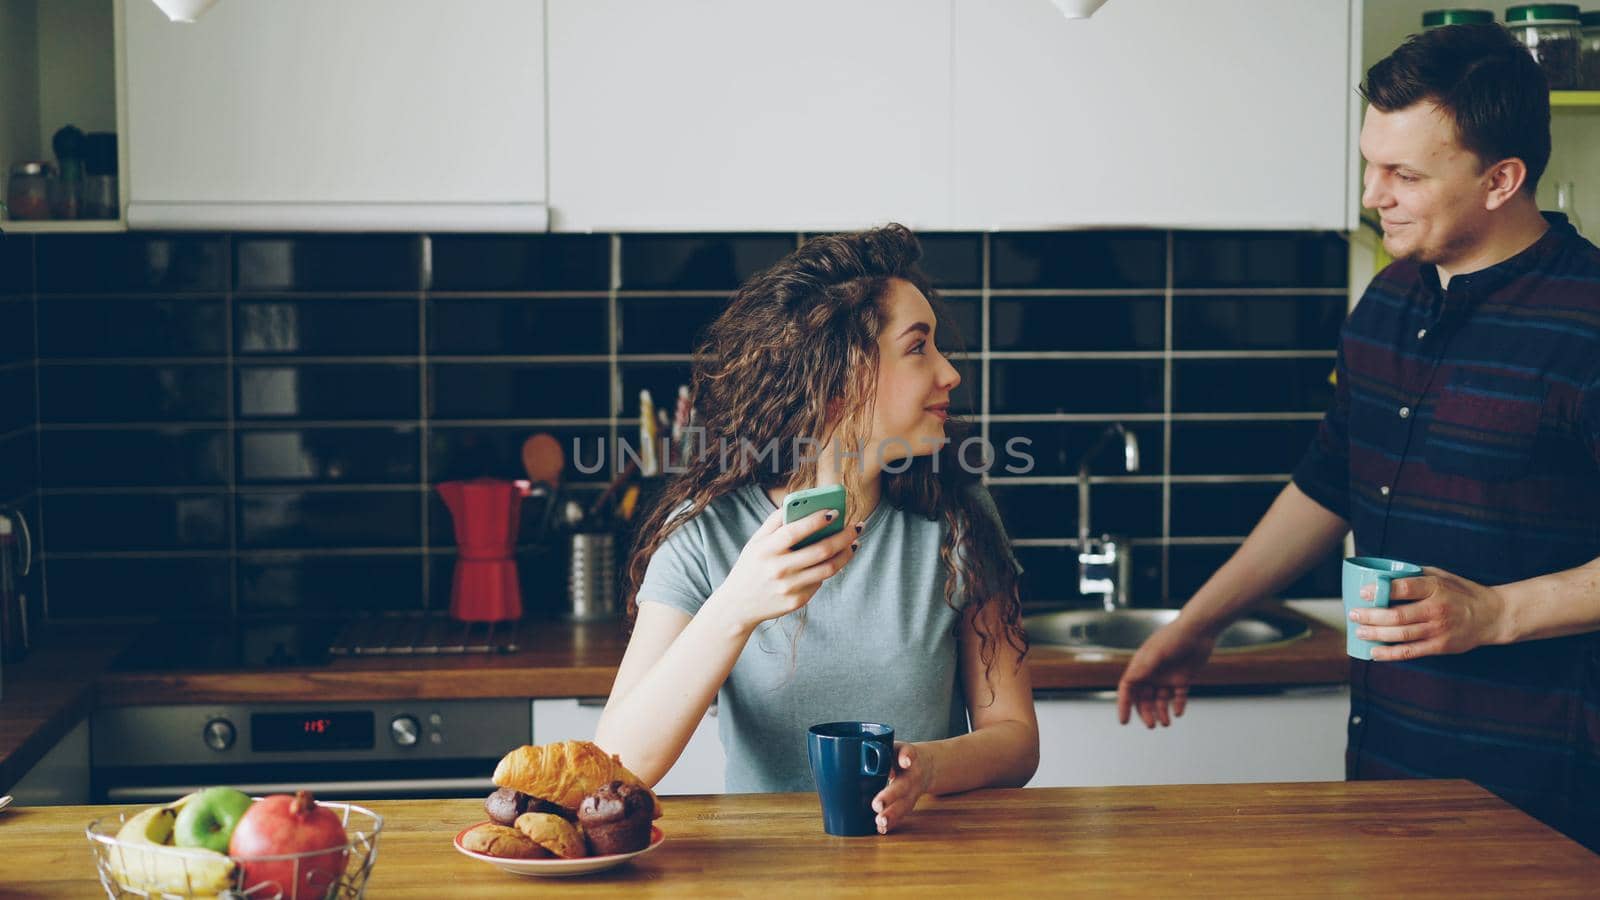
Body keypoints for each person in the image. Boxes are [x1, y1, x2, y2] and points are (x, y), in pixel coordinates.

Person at [1118, 22, 1600, 852]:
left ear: (1502, 179)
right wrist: (1199, 623)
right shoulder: (1387, 301)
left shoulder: (1588, 321)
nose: (1372, 194)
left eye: (1403, 173)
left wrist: (1496, 612)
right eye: (1370, 163)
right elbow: (1330, 483)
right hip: (1386, 765)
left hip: (1543, 794)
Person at [595, 224, 1039, 833]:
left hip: (930, 870)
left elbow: (1014, 739)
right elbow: (620, 765)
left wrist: (929, 767)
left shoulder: (958, 518)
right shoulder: (704, 536)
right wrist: (737, 606)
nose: (949, 373)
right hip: (764, 874)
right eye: (918, 347)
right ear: (842, 377)